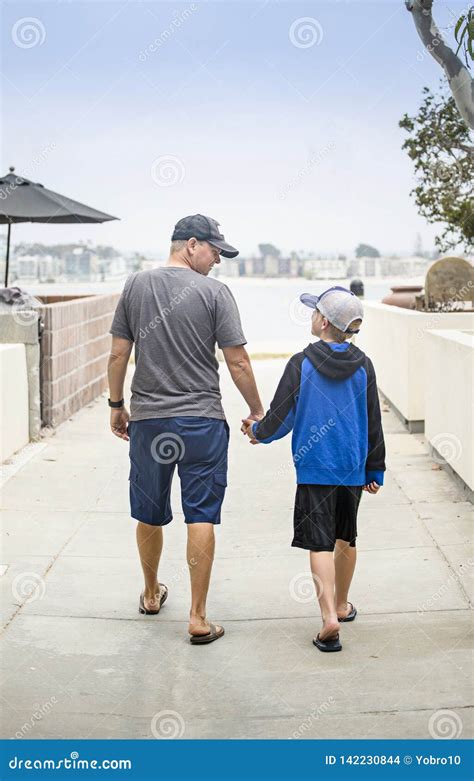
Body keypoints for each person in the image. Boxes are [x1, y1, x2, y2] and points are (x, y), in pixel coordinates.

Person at [108, 214, 264, 644]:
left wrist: (117, 405)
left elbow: (119, 353)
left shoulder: (136, 285)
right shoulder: (215, 293)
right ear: (191, 244)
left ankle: (150, 592)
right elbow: (238, 361)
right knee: (201, 514)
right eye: (215, 251)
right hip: (202, 423)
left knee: (149, 511)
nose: (217, 260)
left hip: (151, 422)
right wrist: (257, 410)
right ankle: (197, 617)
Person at [241, 286, 385, 653]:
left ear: (322, 321)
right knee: (346, 538)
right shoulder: (364, 365)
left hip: (314, 467)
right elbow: (373, 420)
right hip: (352, 468)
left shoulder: (301, 363)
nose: (310, 317)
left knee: (319, 543)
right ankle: (342, 604)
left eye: (313, 312)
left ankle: (328, 620)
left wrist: (258, 432)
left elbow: (282, 415)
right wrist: (376, 468)